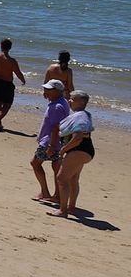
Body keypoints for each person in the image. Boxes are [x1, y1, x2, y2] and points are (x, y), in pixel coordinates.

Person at [51, 91, 95, 219]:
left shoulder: (80, 116)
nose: (69, 101)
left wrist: (63, 149)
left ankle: (63, 210)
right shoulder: (85, 115)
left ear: (81, 102)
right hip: (86, 150)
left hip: (78, 149)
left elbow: (77, 137)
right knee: (73, 179)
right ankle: (71, 207)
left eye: (72, 99)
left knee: (61, 178)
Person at [31, 79, 69, 205]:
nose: (45, 92)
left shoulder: (57, 106)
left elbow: (55, 127)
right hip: (57, 142)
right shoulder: (61, 102)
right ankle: (56, 195)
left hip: (49, 142)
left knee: (35, 163)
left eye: (48, 90)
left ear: (57, 91)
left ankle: (45, 192)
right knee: (56, 166)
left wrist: (51, 146)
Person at [0, 38, 26, 131]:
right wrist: (23, 80)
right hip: (6, 84)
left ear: (1, 46)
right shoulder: (12, 61)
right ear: (10, 48)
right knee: (7, 104)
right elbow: (18, 73)